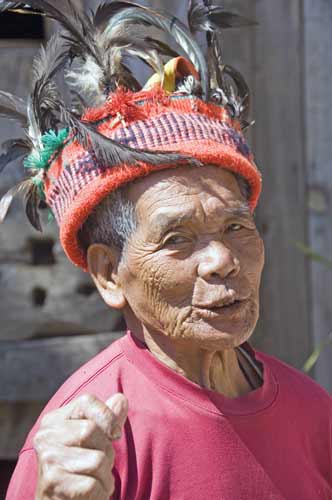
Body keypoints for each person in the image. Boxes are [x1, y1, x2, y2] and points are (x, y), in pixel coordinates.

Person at [1, 1, 331, 499]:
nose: (223, 260)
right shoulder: (82, 448)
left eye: (236, 226)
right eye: (177, 239)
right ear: (109, 273)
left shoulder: (310, 409)